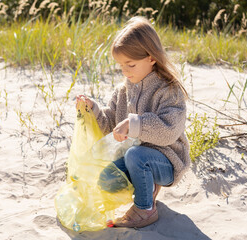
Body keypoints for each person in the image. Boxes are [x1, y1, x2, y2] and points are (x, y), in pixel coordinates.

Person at [76, 16, 190, 228]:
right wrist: (93, 110)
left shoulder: (168, 90)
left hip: (166, 161)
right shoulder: (123, 90)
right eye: (121, 66)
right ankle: (146, 186)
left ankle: (146, 209)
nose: (125, 71)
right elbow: (111, 126)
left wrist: (134, 123)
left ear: (151, 58)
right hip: (134, 159)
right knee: (107, 180)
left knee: (136, 156)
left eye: (131, 64)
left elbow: (169, 130)